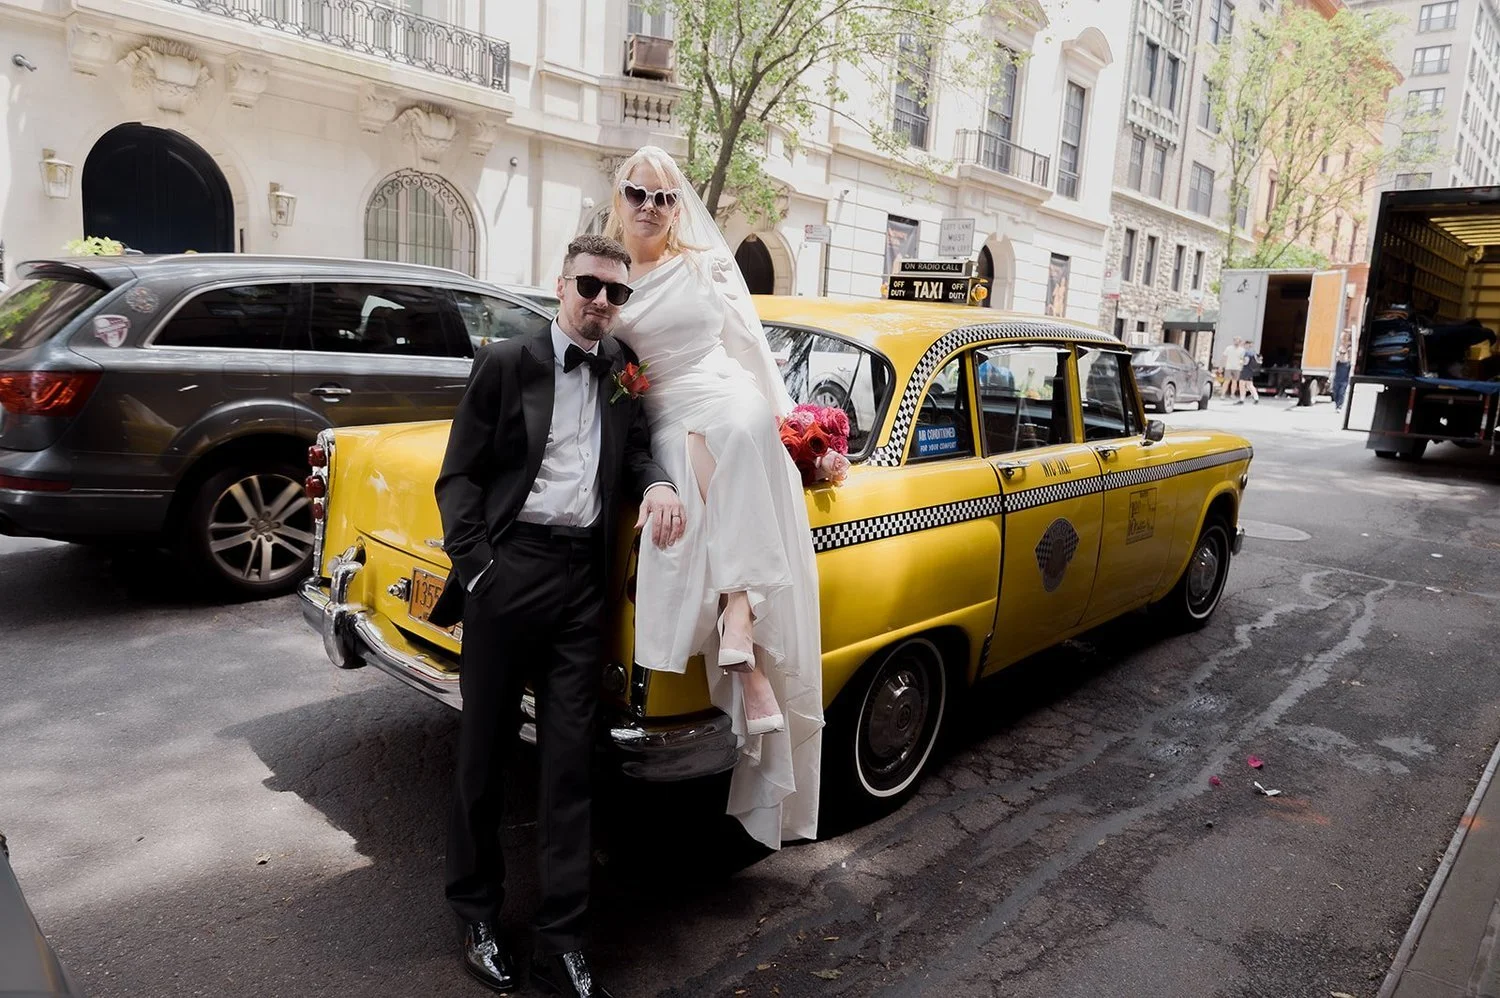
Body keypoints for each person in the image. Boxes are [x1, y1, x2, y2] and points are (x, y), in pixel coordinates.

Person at [433, 233, 686, 998]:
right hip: (510, 575)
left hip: (583, 583)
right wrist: (479, 570)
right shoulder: (507, 363)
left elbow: (637, 450)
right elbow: (460, 478)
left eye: (616, 294)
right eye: (590, 286)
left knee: (570, 767)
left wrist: (660, 485)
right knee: (482, 757)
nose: (602, 303)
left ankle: (561, 941)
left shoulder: (621, 372)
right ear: (560, 283)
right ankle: (475, 917)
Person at [606, 145, 824, 851]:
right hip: (661, 412)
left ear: (679, 207)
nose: (652, 207)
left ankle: (738, 619)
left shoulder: (703, 264)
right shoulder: (606, 275)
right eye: (640, 193)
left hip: (720, 390)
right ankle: (741, 636)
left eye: (666, 198)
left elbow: (751, 346)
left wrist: (795, 426)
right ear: (621, 197)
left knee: (736, 424)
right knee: (702, 447)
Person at [1332, 327, 1354, 412]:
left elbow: (1350, 360)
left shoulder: (1349, 348)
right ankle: (1337, 404)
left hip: (1345, 369)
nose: (1344, 338)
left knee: (1342, 391)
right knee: (1336, 391)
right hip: (1338, 369)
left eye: (1346, 337)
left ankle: (1339, 406)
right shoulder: (1339, 347)